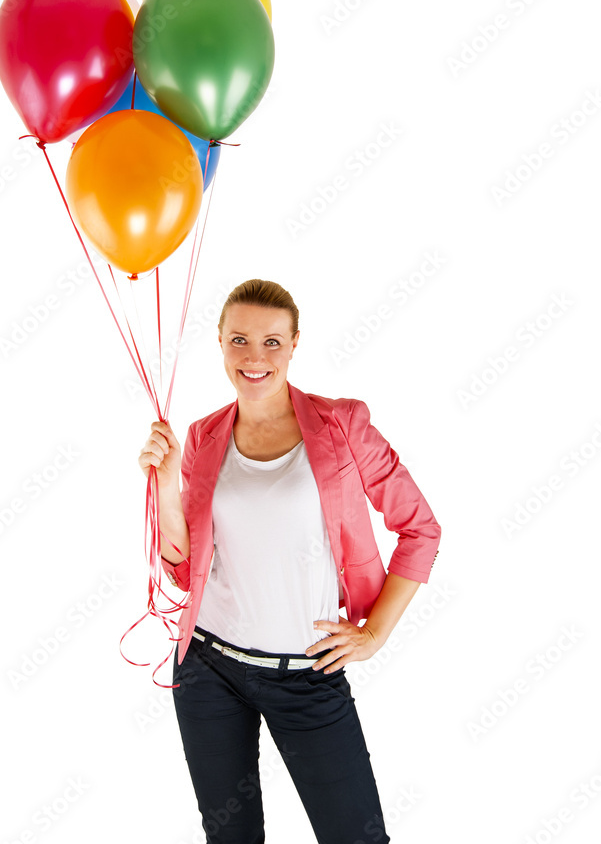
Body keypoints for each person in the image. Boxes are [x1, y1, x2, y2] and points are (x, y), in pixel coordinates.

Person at [138, 278, 441, 844]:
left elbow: (420, 530)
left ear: (296, 343)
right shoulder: (203, 436)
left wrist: (373, 634)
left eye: (272, 342)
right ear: (221, 343)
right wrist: (165, 484)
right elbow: (182, 568)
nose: (255, 357)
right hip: (207, 669)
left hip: (306, 674)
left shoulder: (342, 425)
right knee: (231, 837)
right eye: (240, 340)